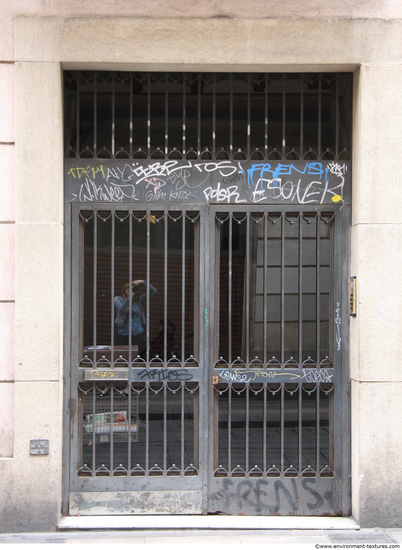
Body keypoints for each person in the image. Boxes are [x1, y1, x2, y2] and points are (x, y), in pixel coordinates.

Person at [114, 279, 157, 356]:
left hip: (138, 332)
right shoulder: (118, 299)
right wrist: (129, 297)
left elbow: (153, 291)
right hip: (124, 333)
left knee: (140, 354)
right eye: (128, 287)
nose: (129, 290)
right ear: (124, 289)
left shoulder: (138, 300)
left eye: (132, 288)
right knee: (123, 356)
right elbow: (122, 309)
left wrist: (143, 282)